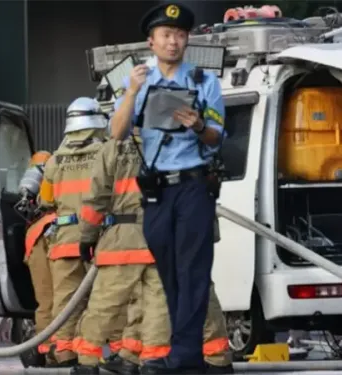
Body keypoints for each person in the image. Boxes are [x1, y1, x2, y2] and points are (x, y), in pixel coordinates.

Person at [109, 2, 226, 373]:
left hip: (192, 187)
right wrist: (131, 92)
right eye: (165, 35)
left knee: (192, 271)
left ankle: (185, 355)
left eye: (179, 35)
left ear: (187, 40)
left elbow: (217, 139)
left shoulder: (203, 82)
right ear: (152, 41)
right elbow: (117, 132)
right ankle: (185, 354)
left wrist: (197, 126)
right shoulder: (139, 82)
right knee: (169, 272)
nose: (173, 42)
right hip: (157, 191)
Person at [71, 134, 170, 375]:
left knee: (104, 305)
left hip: (121, 238)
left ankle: (87, 362)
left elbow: (96, 198)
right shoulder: (169, 141)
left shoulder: (112, 148)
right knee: (158, 303)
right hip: (161, 235)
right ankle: (154, 362)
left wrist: (87, 236)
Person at [39, 97, 110, 366]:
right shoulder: (105, 153)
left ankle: (65, 354)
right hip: (99, 240)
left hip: (65, 241)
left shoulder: (54, 161)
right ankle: (101, 356)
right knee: (105, 300)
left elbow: (45, 202)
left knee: (66, 302)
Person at [20, 151, 58, 366]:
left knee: (46, 301)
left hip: (37, 234)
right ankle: (60, 353)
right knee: (66, 300)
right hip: (60, 232)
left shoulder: (44, 161)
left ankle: (47, 353)